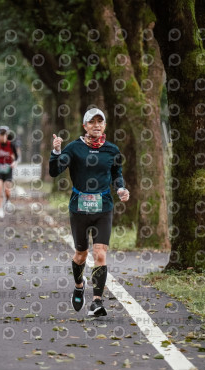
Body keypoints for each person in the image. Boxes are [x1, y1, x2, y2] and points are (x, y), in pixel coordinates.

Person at [49, 108, 130, 317]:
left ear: (104, 125)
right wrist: (56, 152)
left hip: (103, 207)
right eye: (92, 122)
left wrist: (120, 189)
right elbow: (54, 171)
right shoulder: (74, 148)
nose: (96, 125)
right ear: (84, 126)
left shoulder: (112, 150)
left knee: (100, 253)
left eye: (100, 122)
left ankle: (97, 301)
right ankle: (78, 285)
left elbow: (117, 175)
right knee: (81, 254)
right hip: (79, 207)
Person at [0, 125, 18, 218]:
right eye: (1, 135)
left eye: (4, 135)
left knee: (7, 190)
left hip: (8, 169)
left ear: (7, 135)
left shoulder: (11, 145)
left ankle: (8, 201)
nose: (2, 137)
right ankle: (0, 209)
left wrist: (14, 163)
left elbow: (16, 157)